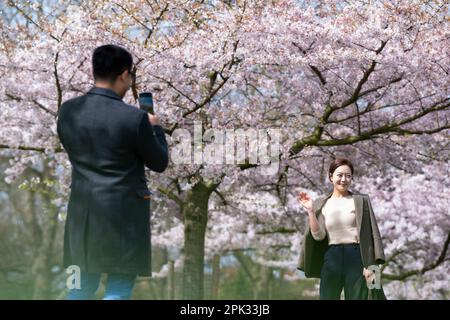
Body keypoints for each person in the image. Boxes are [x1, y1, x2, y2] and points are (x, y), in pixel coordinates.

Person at [57, 44, 169, 300]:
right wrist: (155, 128)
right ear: (123, 73)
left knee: (79, 287)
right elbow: (159, 162)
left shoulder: (68, 111)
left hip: (81, 217)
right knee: (118, 289)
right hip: (124, 219)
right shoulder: (134, 118)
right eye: (130, 77)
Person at [297, 158, 385, 300]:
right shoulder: (322, 203)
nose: (344, 179)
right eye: (339, 175)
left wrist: (371, 265)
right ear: (330, 176)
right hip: (332, 256)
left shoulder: (361, 201)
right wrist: (311, 212)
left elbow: (372, 233)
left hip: (356, 256)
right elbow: (318, 236)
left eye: (348, 176)